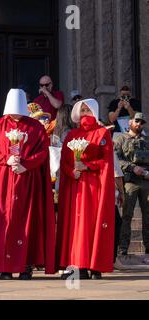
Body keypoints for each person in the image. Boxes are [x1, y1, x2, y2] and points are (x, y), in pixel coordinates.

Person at [0, 89, 56, 280]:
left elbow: (42, 153)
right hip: (2, 181)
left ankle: (26, 265)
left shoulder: (36, 127)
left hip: (27, 180)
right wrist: (5, 159)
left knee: (26, 222)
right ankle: (4, 266)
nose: (16, 114)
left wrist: (27, 165)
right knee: (3, 222)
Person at [56, 99, 115, 280]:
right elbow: (64, 160)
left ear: (94, 112)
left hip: (93, 188)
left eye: (87, 110)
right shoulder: (72, 134)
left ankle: (95, 265)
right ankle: (79, 266)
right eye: (82, 110)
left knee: (92, 224)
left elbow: (106, 161)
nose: (84, 114)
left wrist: (87, 166)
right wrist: (72, 170)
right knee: (76, 226)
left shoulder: (102, 132)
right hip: (76, 188)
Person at [114, 113, 149, 256]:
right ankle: (123, 248)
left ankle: (148, 247)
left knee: (148, 216)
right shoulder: (120, 139)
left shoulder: (146, 140)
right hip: (130, 181)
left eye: (141, 122)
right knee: (127, 215)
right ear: (130, 122)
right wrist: (132, 167)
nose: (139, 124)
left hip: (146, 181)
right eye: (136, 121)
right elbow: (116, 159)